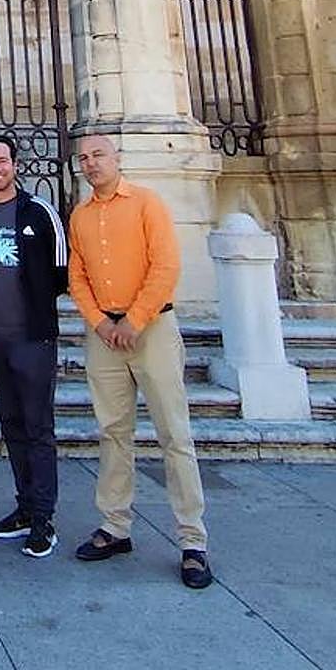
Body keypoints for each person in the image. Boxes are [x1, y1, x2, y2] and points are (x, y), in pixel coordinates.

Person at [69, 134, 213, 589]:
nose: (91, 163)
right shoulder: (80, 215)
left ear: (117, 158)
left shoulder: (148, 203)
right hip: (104, 334)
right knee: (113, 432)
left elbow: (165, 266)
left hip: (151, 329)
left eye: (98, 155)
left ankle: (192, 540)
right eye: (84, 158)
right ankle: (115, 525)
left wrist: (134, 320)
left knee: (174, 433)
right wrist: (100, 322)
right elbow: (77, 276)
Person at [0, 134, 67, 559]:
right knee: (11, 423)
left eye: (2, 160)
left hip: (32, 337)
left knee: (38, 426)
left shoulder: (40, 212)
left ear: (15, 164)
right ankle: (25, 507)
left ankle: (43, 518)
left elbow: (60, 271)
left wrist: (37, 311)